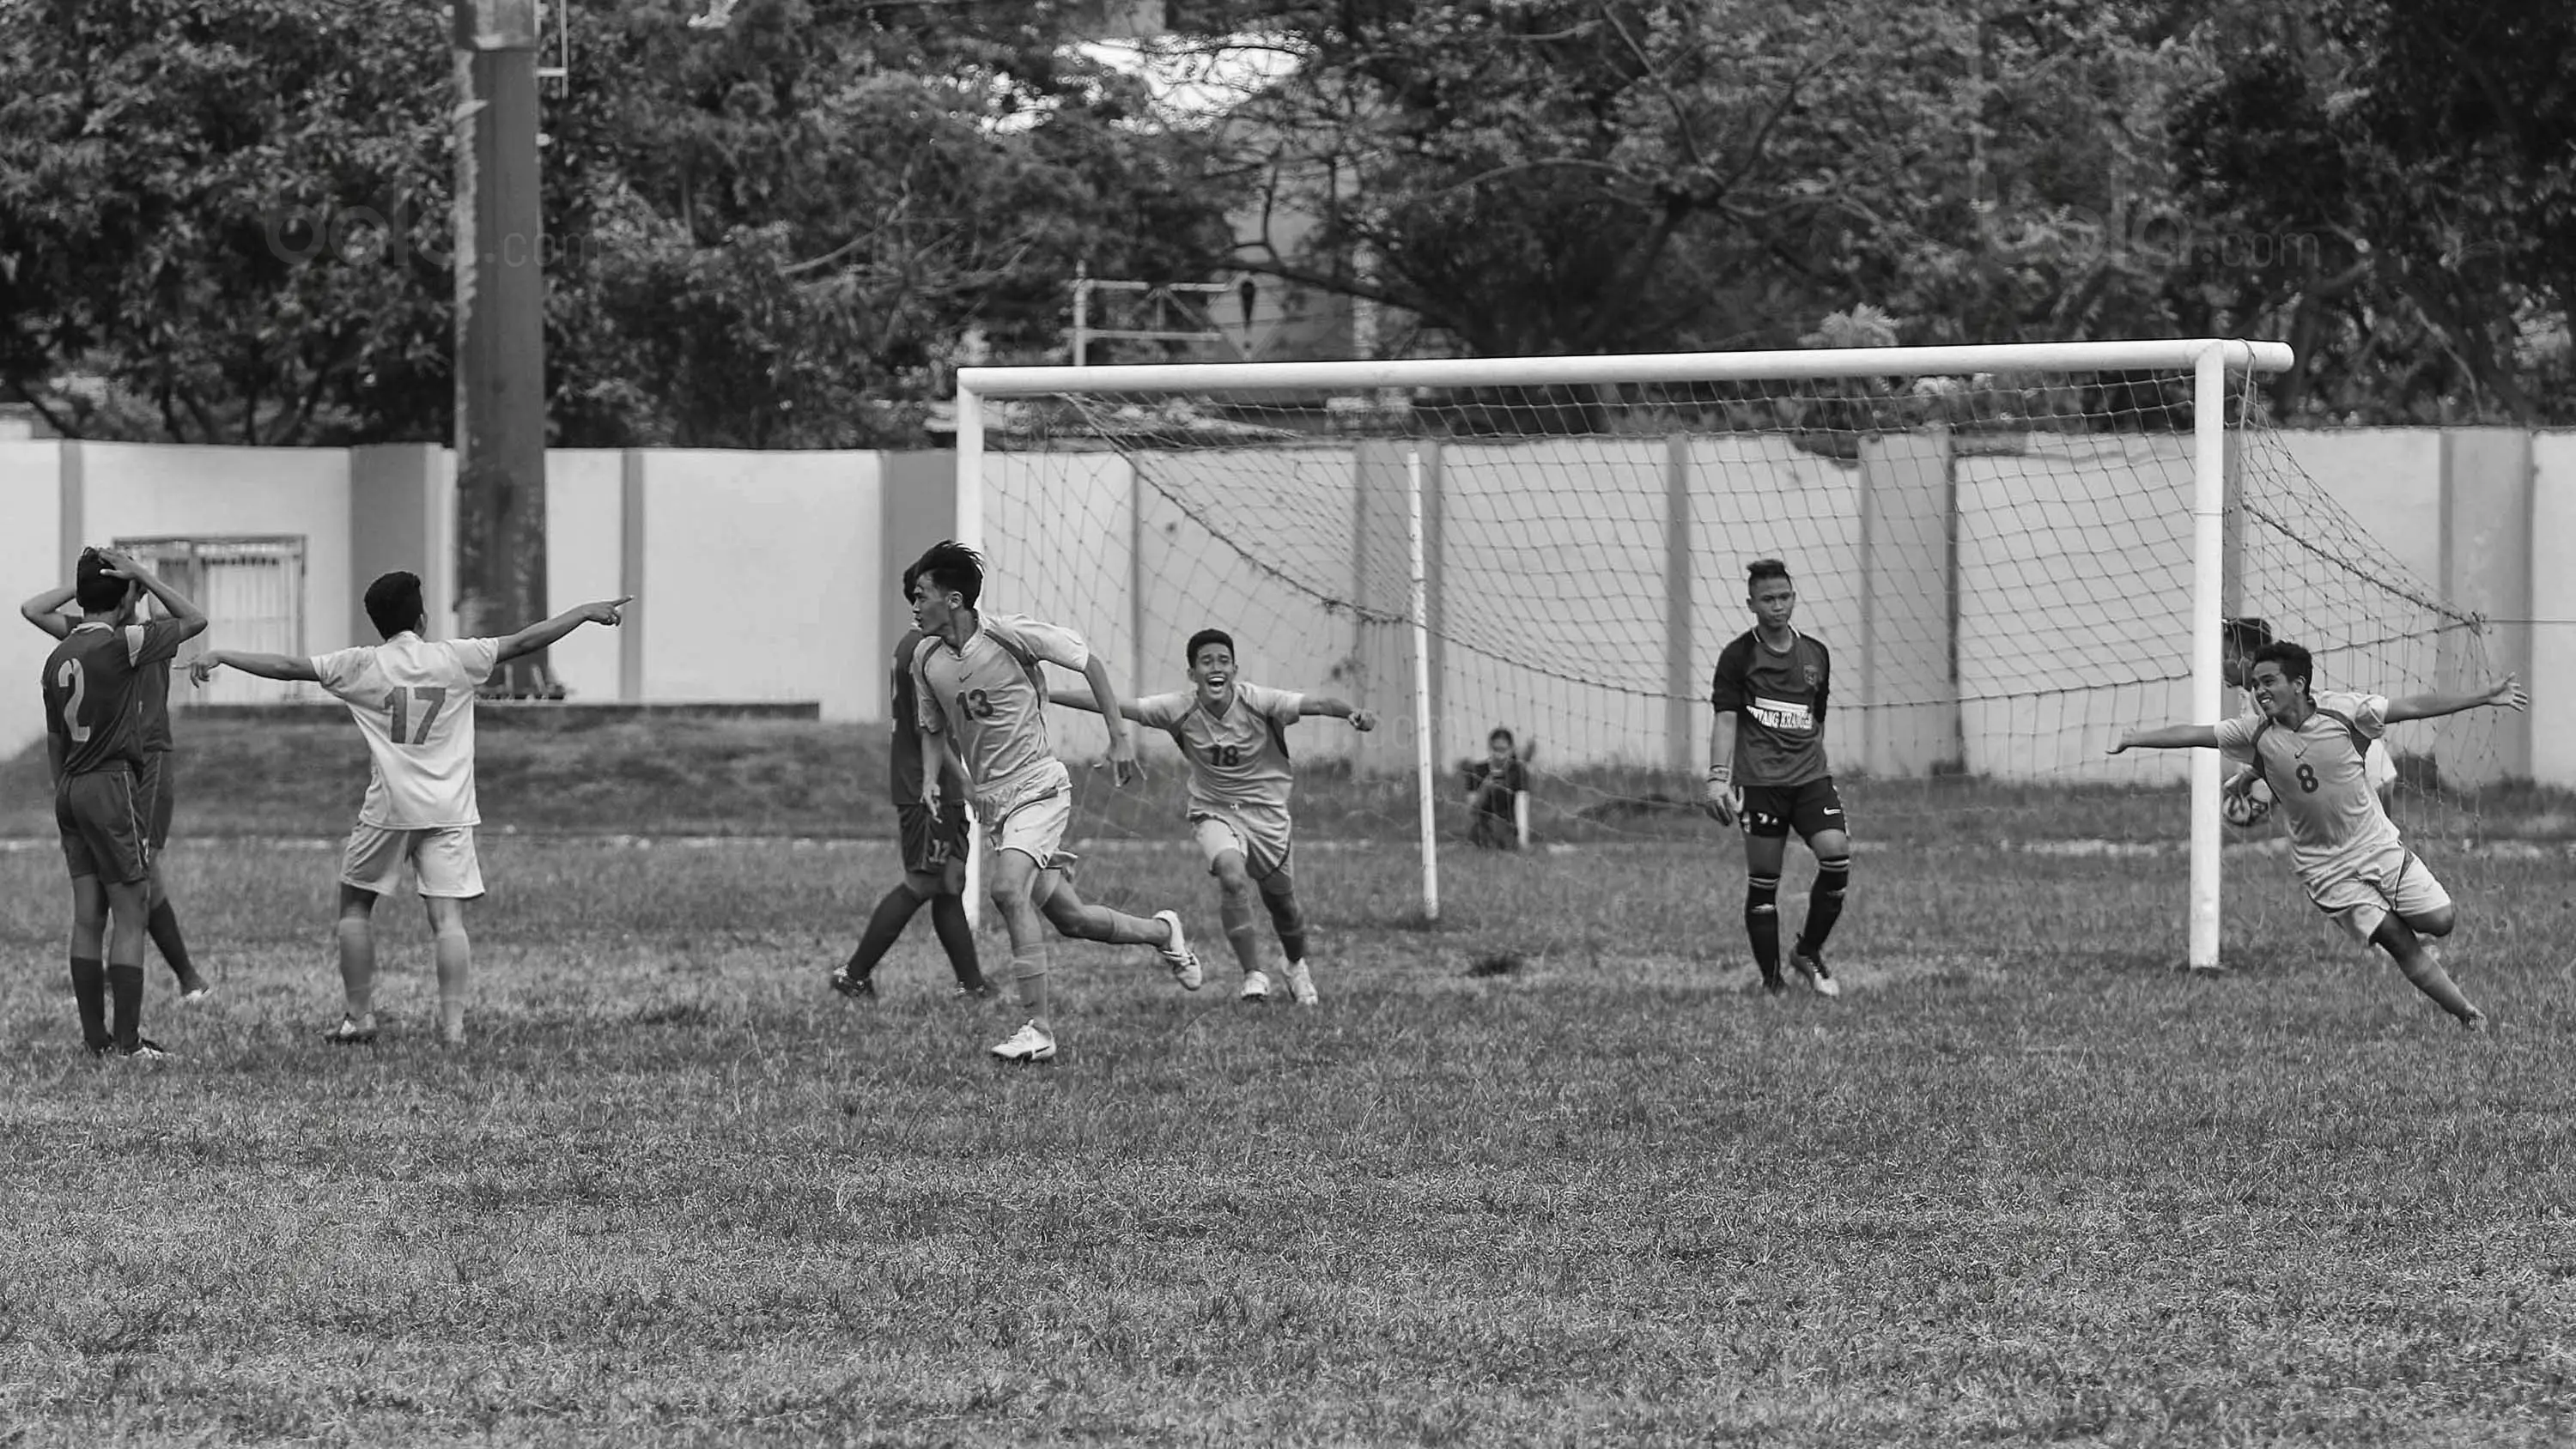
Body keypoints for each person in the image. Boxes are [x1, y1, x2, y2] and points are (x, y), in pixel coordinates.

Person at [189, 572, 629, 1046]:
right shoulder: (455, 658)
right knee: (448, 920)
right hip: (450, 809)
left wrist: (223, 654)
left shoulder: (360, 665)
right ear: (422, 618)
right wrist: (584, 612)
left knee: (355, 908)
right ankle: (454, 1030)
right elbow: (524, 642)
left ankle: (359, 1017)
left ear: (377, 624)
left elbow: (288, 667)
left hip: (390, 810)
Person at [2109, 640, 2524, 1029]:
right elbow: (2194, 735)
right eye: (2255, 685)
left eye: (2268, 682)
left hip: (2376, 846)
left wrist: (2484, 696)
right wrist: (2134, 739)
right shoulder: (2254, 732)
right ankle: (2470, 1016)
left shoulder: (2346, 713)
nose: (2259, 692)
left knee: (2441, 920)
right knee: (2400, 942)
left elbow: (2413, 705)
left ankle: (2386, 908)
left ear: (2299, 684)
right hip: (2325, 868)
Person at [904, 540, 1203, 1064]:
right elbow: (932, 729)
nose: (914, 602)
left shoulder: (1011, 634)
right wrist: (934, 780)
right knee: (1072, 918)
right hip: (998, 805)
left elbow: (1090, 663)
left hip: (1039, 785)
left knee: (1005, 889)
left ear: (953, 599)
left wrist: (1119, 736)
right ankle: (1163, 932)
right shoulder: (925, 659)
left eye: (922, 593)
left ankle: (1038, 1028)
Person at [1051, 627, 1375, 1006]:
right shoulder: (1178, 708)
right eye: (1206, 661)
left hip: (1267, 816)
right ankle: (1253, 974)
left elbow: (1316, 704)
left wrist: (1351, 713)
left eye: (1223, 660)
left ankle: (1295, 965)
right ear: (1193, 674)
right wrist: (1048, 694)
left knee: (1284, 908)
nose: (1215, 667)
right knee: (1231, 875)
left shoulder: (1260, 702)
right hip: (1214, 811)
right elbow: (1118, 704)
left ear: (1234, 669)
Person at [39, 548, 208, 1059]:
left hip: (69, 786)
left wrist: (64, 795)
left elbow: (53, 741)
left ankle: (96, 1042)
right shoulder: (125, 643)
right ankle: (130, 1045)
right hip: (111, 784)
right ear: (124, 594)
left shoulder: (60, 655)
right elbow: (194, 620)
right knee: (131, 908)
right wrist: (143, 574)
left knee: (87, 914)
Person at [829, 562, 988, 1002]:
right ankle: (854, 973)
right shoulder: (924, 650)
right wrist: (963, 781)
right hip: (926, 783)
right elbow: (927, 727)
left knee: (950, 881)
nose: (920, 603)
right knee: (923, 881)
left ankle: (972, 984)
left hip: (940, 783)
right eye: (918, 595)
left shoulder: (925, 645)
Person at [1704, 558, 1849, 997]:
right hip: (1761, 784)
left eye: (1784, 597)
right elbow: (1726, 720)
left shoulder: (1816, 654)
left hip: (1809, 779)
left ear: (1793, 598)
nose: (1778, 607)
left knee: (1836, 856)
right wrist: (1718, 779)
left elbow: (1815, 718)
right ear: (1752, 604)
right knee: (1765, 881)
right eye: (1768, 600)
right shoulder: (1738, 656)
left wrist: (1810, 762)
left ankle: (1807, 951)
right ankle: (1773, 984)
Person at [1462, 728, 1531, 850]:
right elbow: (1471, 810)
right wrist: (1485, 788)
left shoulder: (1517, 772)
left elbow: (1522, 806)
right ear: (1490, 748)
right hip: (1483, 827)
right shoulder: (1477, 771)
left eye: (1503, 750)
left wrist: (1523, 840)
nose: (1499, 755)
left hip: (1507, 827)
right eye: (1496, 749)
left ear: (1510, 750)